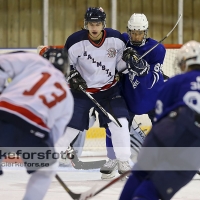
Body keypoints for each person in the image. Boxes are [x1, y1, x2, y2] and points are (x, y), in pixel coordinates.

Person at [55, 7, 132, 176]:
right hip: (82, 92)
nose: (94, 27)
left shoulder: (116, 39)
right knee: (70, 129)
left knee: (120, 122)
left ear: (103, 24)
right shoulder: (75, 41)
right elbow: (66, 66)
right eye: (91, 23)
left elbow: (119, 66)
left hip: (109, 90)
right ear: (86, 24)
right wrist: (72, 76)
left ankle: (124, 161)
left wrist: (128, 63)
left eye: (97, 23)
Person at [119, 40, 200, 200]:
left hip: (166, 132)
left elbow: (159, 115)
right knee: (149, 192)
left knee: (139, 174)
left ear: (184, 63)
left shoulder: (175, 82)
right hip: (191, 146)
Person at [0, 49, 74, 200]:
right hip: (33, 130)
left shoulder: (34, 61)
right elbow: (53, 136)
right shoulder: (67, 96)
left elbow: (2, 63)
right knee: (46, 170)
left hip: (3, 115)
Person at [101, 13, 166, 178]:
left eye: (140, 32)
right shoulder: (122, 42)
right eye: (133, 32)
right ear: (128, 31)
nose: (136, 36)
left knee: (168, 129)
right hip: (128, 97)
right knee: (114, 125)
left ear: (146, 31)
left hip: (153, 98)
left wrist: (143, 71)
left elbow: (153, 80)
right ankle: (113, 158)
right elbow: (107, 34)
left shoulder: (157, 49)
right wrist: (101, 21)